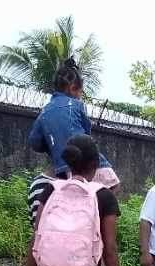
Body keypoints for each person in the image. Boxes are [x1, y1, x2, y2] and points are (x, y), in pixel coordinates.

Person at [17, 134, 126, 266]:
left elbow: (36, 238)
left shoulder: (50, 190)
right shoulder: (104, 197)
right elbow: (110, 250)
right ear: (95, 165)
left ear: (68, 161)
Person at [26, 58, 120, 191]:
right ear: (72, 88)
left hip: (61, 165)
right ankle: (97, 211)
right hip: (86, 157)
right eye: (81, 92)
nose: (80, 96)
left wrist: (52, 146)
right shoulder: (76, 105)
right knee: (113, 185)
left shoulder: (45, 111)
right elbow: (86, 134)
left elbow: (34, 142)